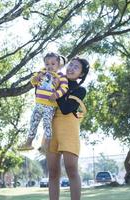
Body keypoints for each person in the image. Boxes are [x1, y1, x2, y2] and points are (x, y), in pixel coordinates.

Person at [46, 57, 89, 200]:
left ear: (81, 74)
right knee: (52, 172)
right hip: (51, 129)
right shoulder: (54, 81)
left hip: (69, 129)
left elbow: (65, 109)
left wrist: (56, 89)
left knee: (71, 168)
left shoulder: (80, 90)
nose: (71, 68)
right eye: (70, 65)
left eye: (76, 67)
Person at [20, 52, 68, 151]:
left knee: (47, 124)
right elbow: (33, 82)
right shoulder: (42, 72)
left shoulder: (61, 76)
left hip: (49, 105)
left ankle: (46, 145)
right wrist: (35, 79)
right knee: (33, 122)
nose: (49, 66)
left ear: (58, 64)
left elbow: (64, 88)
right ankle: (28, 143)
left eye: (53, 64)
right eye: (47, 64)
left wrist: (56, 94)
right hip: (38, 103)